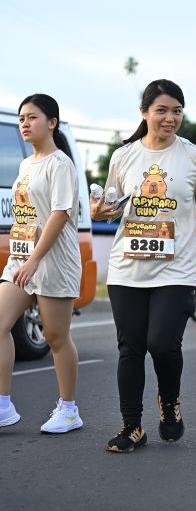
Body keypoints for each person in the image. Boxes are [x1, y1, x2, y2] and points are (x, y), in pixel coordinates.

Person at [91, 79, 196, 453]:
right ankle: (132, 428)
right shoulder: (123, 156)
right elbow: (112, 204)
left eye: (177, 111)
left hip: (176, 269)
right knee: (130, 348)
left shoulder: (192, 155)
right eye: (162, 110)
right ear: (144, 112)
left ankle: (169, 402)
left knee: (162, 344)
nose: (170, 118)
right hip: (127, 266)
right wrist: (101, 211)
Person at [0, 94, 83, 433]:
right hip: (22, 258)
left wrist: (34, 259)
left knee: (55, 336)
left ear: (52, 122)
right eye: (22, 118)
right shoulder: (25, 165)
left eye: (32, 117)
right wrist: (21, 250)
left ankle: (69, 409)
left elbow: (60, 214)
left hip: (53, 261)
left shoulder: (60, 164)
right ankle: (3, 405)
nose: (25, 123)